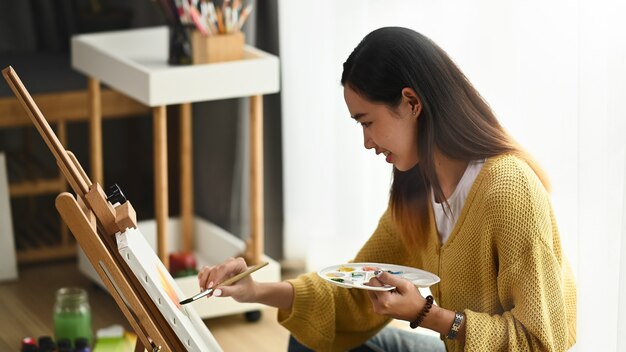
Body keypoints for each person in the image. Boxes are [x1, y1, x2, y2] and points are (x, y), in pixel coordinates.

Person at [197, 26, 577, 352]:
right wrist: (255, 291)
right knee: (309, 340)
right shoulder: (417, 189)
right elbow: (352, 295)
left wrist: (429, 315)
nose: (366, 142)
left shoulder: (509, 192)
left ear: (411, 102)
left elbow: (542, 342)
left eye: (367, 122)